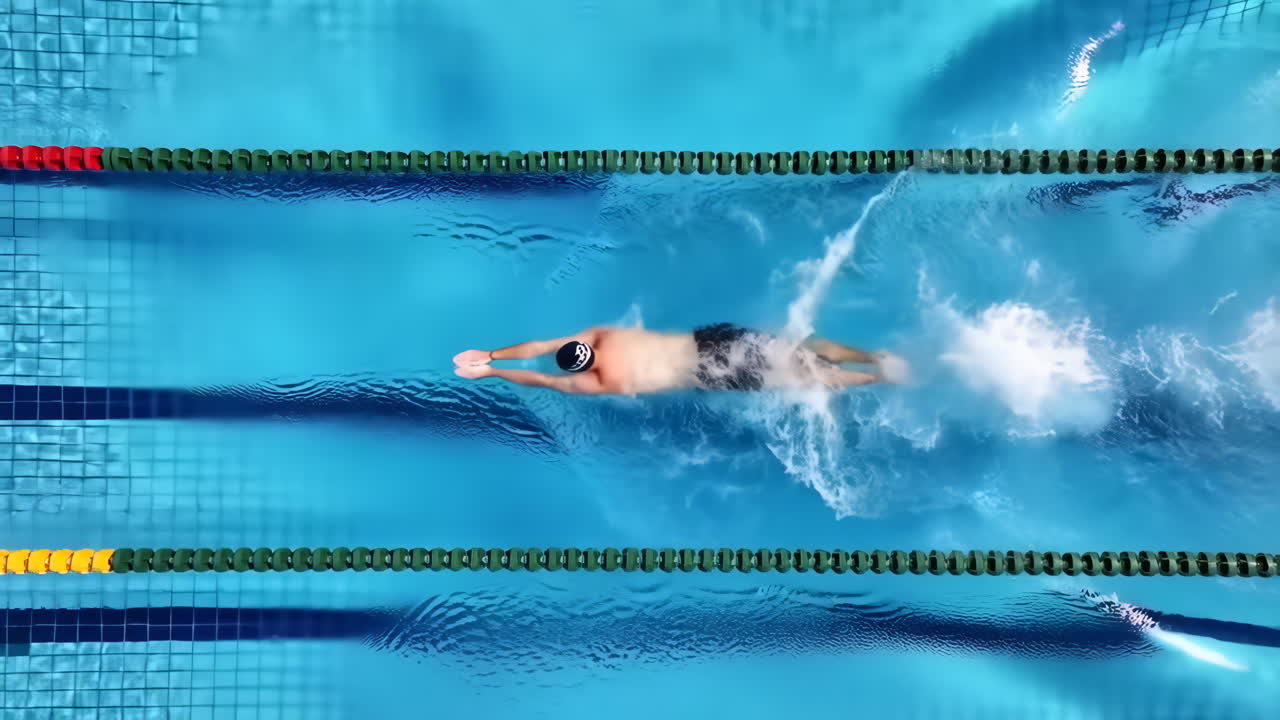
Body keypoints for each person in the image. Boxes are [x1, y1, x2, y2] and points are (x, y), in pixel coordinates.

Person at [452, 323, 906, 395]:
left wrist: (492, 371)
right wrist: (490, 352)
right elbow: (539, 346)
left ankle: (880, 377)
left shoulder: (598, 382)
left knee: (805, 378)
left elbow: (541, 378)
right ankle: (875, 357)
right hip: (709, 341)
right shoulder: (601, 335)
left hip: (707, 373)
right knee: (800, 349)